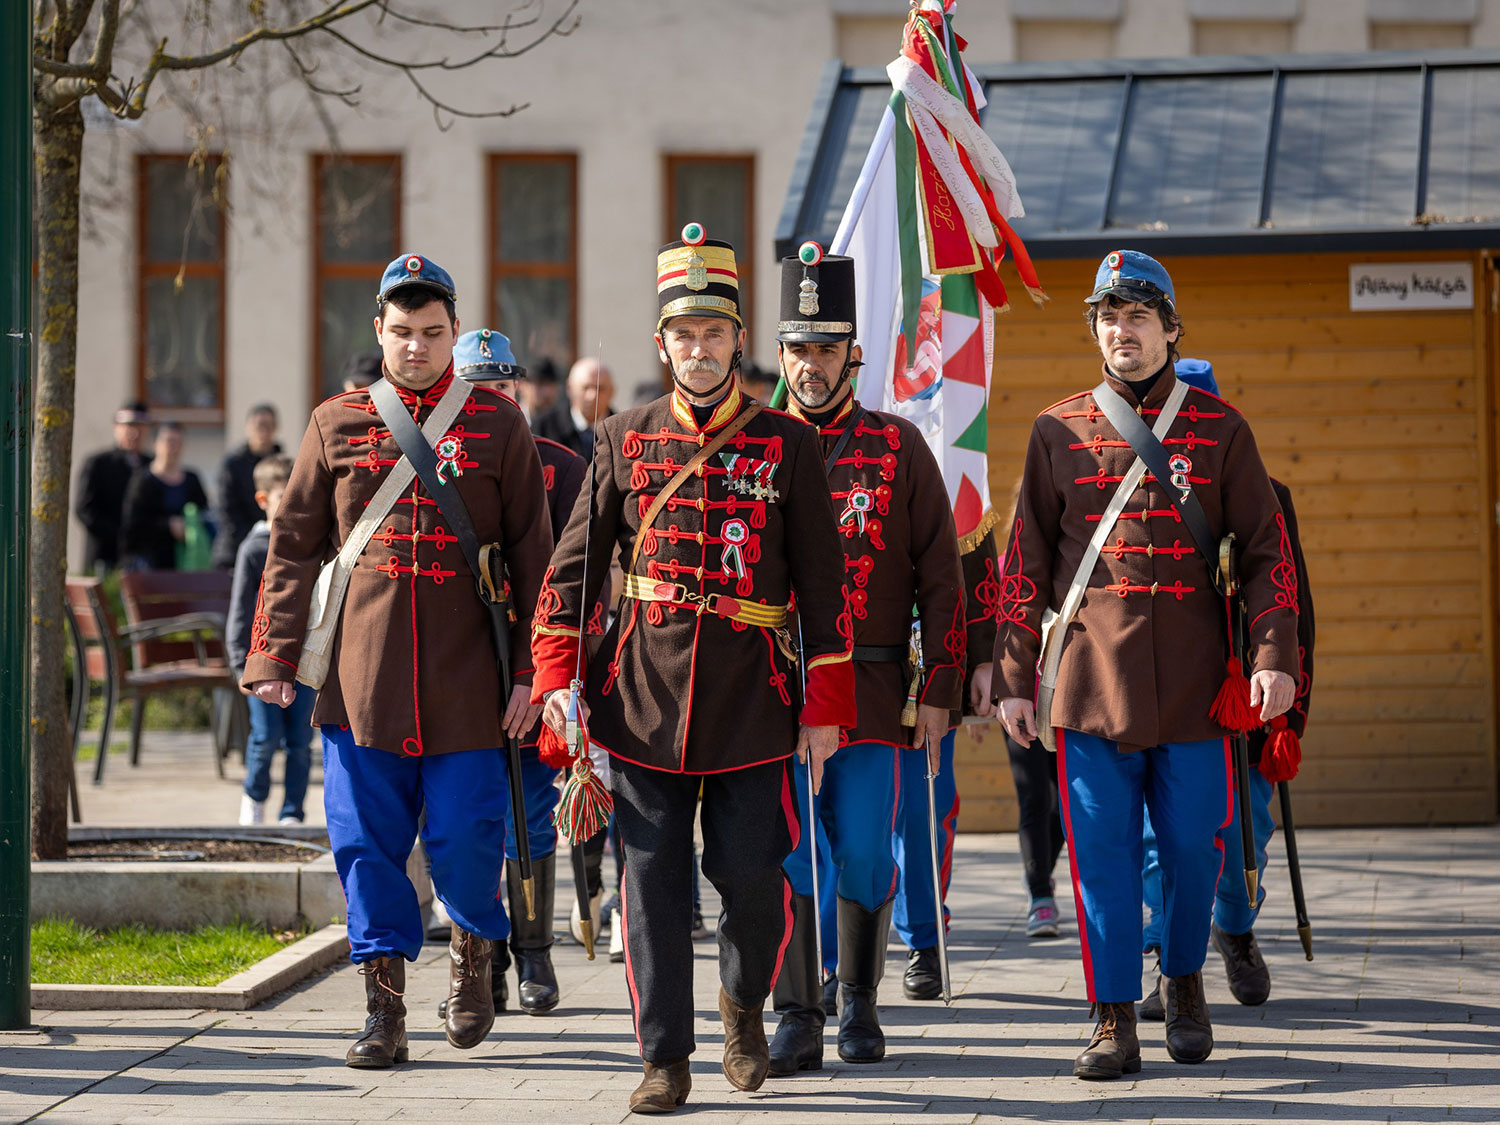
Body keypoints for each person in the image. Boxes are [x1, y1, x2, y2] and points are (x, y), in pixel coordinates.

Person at [532, 224, 854, 1114]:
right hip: (639, 699)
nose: (700, 349)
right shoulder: (621, 437)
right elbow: (572, 572)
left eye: (716, 333)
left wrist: (825, 706)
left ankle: (744, 1007)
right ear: (662, 342)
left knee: (756, 879)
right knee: (651, 889)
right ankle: (664, 1058)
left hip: (755, 698)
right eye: (684, 333)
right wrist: (558, 679)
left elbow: (826, 591)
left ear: (739, 339)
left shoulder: (788, 443)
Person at [241, 252, 554, 1069]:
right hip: (361, 679)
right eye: (403, 331)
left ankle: (475, 965)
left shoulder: (498, 425)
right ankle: (383, 1013)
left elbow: (535, 556)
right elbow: (294, 547)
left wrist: (534, 672)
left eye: (433, 332)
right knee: (364, 845)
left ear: (454, 332)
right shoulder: (333, 422)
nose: (416, 346)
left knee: (466, 837)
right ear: (378, 330)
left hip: (469, 680)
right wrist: (273, 652)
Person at [993, 250, 1300, 1081]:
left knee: (1199, 849)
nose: (1121, 329)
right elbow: (1023, 565)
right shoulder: (1056, 428)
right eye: (1107, 315)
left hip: (1202, 687)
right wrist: (1014, 675)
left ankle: (1186, 980)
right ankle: (1112, 1015)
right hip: (1092, 685)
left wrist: (1275, 658)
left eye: (1138, 314)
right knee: (1102, 856)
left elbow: (1270, 553)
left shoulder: (1223, 429)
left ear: (1170, 329)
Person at [764, 245, 963, 1074]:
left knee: (867, 854)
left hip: (877, 692)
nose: (812, 364)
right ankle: (798, 1012)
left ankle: (861, 999)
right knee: (788, 849)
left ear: (855, 353)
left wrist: (944, 685)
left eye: (827, 347)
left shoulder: (898, 447)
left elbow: (942, 575)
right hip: (774, 693)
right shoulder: (755, 446)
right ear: (779, 354)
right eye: (798, 347)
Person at [1138, 357, 1317, 1019]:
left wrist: (1288, 715)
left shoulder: (1264, 490)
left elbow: (1295, 604)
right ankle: (1163, 955)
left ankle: (1235, 929)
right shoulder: (1132, 487)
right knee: (1162, 840)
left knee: (1247, 836)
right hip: (1165, 698)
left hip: (1242, 704)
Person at [448, 328, 598, 1015]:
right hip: (458, 670)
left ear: (522, 396)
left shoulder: (564, 467)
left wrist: (557, 675)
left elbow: (580, 579)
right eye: (477, 390)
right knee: (468, 821)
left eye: (501, 389)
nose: (491, 402)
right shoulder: (433, 465)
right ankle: (487, 958)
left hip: (535, 668)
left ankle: (534, 953)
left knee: (531, 814)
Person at [892, 530, 1004, 1001]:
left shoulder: (947, 453)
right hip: (842, 655)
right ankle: (833, 953)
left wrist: (983, 656)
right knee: (840, 818)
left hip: (928, 660)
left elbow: (974, 545)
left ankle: (924, 937)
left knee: (922, 813)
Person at [226, 454, 316, 827]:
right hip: (261, 661)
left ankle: (292, 811)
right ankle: (254, 798)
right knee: (265, 739)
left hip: (303, 663)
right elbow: (240, 611)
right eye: (284, 496)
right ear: (264, 500)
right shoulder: (253, 549)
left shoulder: (307, 545)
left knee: (300, 743)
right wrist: (238, 664)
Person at [119, 422, 211, 571]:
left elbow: (204, 514)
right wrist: (168, 526)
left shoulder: (192, 479)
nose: (173, 447)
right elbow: (133, 525)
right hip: (150, 564)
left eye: (178, 442)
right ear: (156, 444)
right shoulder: (142, 481)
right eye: (169, 441)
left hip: (187, 562)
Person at [75, 401, 152, 574]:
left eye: (140, 426)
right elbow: (84, 510)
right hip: (104, 556)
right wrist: (118, 535)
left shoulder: (152, 465)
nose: (134, 432)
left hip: (142, 559)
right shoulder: (98, 464)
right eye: (128, 426)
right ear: (116, 427)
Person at [213, 403, 283, 569]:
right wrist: (256, 538)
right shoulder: (233, 464)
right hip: (235, 551)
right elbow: (227, 511)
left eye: (268, 425)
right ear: (248, 428)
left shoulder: (282, 464)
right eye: (259, 425)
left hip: (274, 548)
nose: (263, 431)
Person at [532, 356, 615, 457]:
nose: (592, 396)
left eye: (600, 389)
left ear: (612, 392)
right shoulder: (544, 427)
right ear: (569, 388)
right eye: (585, 387)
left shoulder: (622, 430)